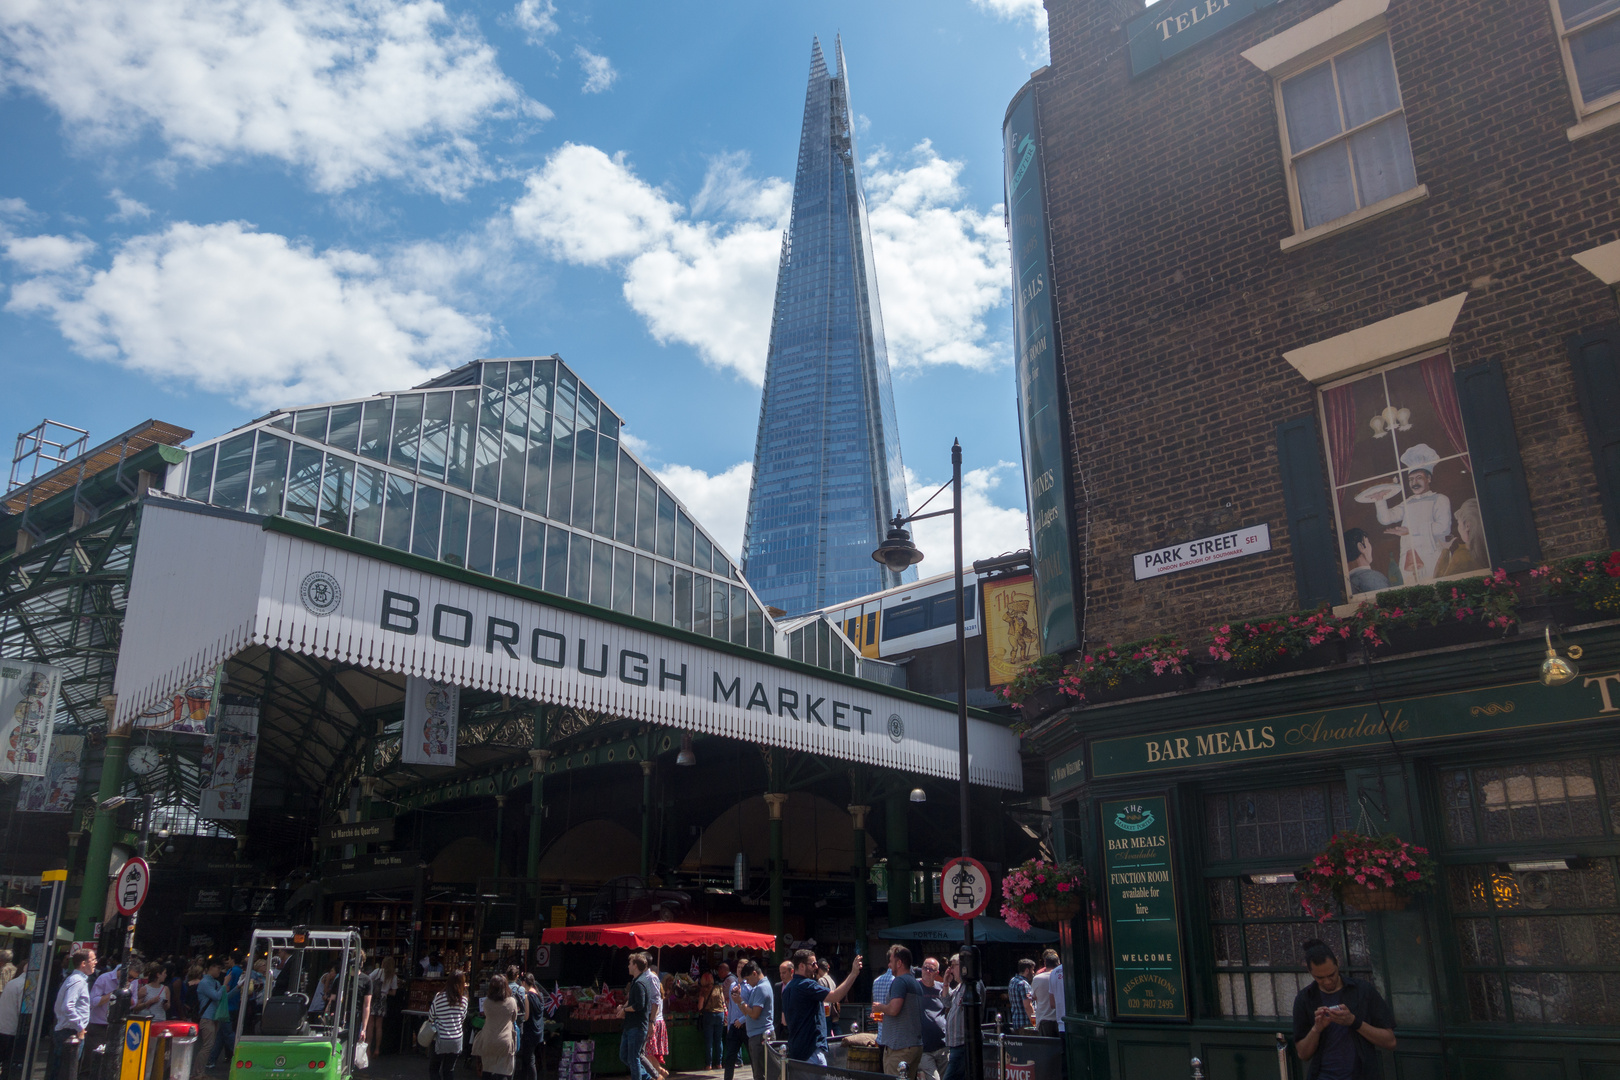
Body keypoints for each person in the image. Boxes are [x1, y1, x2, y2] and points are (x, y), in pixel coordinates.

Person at [1291, 939, 1396, 1080]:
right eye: (1319, 978)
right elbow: (1303, 1054)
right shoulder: (1305, 998)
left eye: (1331, 975)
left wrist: (1354, 1022)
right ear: (1309, 971)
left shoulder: (1363, 991)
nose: (1327, 982)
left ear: (1338, 963)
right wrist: (1316, 1029)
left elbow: (1390, 1041)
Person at [1374, 444, 1452, 585]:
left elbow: (1443, 528)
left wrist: (1410, 531)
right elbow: (1386, 519)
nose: (1414, 483)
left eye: (1418, 478)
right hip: (1409, 559)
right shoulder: (1408, 502)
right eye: (1411, 480)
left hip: (1432, 558)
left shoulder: (1440, 499)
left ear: (1428, 479)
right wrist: (1380, 500)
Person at [781, 950, 861, 1066]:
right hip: (811, 1051)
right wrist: (853, 974)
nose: (816, 967)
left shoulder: (787, 988)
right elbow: (835, 996)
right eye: (813, 964)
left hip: (796, 1050)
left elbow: (784, 1021)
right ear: (802, 966)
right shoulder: (807, 985)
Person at [876, 946, 923, 1078]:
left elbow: (894, 1009)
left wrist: (880, 1007)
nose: (889, 965)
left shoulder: (899, 981)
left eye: (891, 961)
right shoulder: (915, 982)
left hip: (899, 1048)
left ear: (899, 963)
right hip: (914, 1046)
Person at [52, 950, 93, 1080]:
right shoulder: (77, 981)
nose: (95, 962)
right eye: (93, 959)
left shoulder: (75, 979)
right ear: (83, 963)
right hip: (70, 1032)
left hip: (69, 1030)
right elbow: (67, 1006)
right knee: (67, 1071)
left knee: (62, 1070)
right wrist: (80, 1027)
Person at [733, 961, 774, 1080]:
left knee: (760, 1073)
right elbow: (748, 1012)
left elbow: (755, 1014)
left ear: (755, 973)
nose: (748, 983)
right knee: (759, 1072)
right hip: (756, 1035)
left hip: (760, 1035)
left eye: (748, 979)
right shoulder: (759, 987)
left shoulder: (761, 988)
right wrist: (739, 1000)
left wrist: (740, 1001)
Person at [474, 974, 519, 1080]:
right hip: (505, 1041)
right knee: (503, 1071)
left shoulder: (487, 1003)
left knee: (487, 1068)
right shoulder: (511, 1002)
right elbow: (514, 1018)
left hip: (488, 1039)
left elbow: (485, 1015)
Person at [428, 973, 467, 1080]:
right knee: (449, 1070)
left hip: (441, 1038)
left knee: (434, 1068)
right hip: (456, 1039)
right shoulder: (464, 1000)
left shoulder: (439, 997)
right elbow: (462, 1019)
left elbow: (431, 1016)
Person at [620, 954, 653, 1080]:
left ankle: (643, 1077)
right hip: (629, 1026)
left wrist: (624, 1010)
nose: (628, 966)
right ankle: (646, 1077)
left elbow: (639, 1005)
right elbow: (632, 1002)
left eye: (630, 963)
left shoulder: (640, 983)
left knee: (634, 1058)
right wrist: (623, 1008)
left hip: (637, 1027)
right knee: (624, 1056)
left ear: (635, 966)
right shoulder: (635, 981)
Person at [1435, 497, 1484, 578]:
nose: (1458, 528)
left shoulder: (1461, 556)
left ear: (1467, 526)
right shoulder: (1485, 549)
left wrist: (1445, 550)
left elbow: (1438, 581)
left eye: (1458, 523)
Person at [916, 958, 947, 1080]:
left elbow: (951, 1005)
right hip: (924, 1048)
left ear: (937, 973)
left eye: (931, 969)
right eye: (925, 968)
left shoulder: (942, 989)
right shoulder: (914, 987)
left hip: (943, 1045)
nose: (927, 971)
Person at [86, 961, 121, 1065]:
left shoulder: (132, 982)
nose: (131, 980)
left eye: (134, 978)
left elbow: (134, 1003)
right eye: (131, 977)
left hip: (116, 1026)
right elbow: (94, 1001)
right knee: (92, 1061)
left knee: (109, 1062)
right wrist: (113, 994)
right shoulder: (105, 978)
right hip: (99, 1025)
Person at [195, 960, 224, 1079]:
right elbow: (217, 996)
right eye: (217, 967)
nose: (219, 970)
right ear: (210, 968)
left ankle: (200, 1072)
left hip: (214, 1017)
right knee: (207, 1045)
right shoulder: (205, 982)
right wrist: (224, 985)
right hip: (207, 1017)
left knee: (209, 1045)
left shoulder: (215, 982)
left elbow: (222, 997)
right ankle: (198, 1072)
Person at [719, 962, 748, 1080]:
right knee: (730, 1057)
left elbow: (752, 1007)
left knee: (753, 1057)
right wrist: (729, 1025)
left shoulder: (750, 986)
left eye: (742, 967)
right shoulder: (732, 985)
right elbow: (731, 1007)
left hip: (746, 1025)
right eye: (738, 967)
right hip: (734, 1025)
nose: (740, 970)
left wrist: (742, 1020)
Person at [1343, 529, 1391, 595]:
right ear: (1361, 547)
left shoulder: (1346, 584)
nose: (1370, 547)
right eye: (1368, 542)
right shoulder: (1374, 579)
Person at [0, 964, 27, 1080]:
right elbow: (23, 1009)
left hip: (4, 1025)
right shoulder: (23, 985)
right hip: (12, 1028)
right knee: (8, 1061)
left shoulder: (13, 983)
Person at [698, 971, 726, 1069]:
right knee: (719, 1040)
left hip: (708, 1015)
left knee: (709, 1041)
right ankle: (719, 1063)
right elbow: (723, 1002)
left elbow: (700, 1006)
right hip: (720, 1014)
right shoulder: (719, 988)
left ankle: (708, 1064)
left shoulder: (703, 991)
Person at [1029, 951, 1059, 1037]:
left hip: (1044, 1018)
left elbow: (1033, 997)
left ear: (1045, 963)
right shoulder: (1061, 977)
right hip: (1059, 1017)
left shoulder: (1037, 978)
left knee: (1047, 1047)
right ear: (1058, 963)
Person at [1007, 960, 1035, 1032]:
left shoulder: (1012, 981)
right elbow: (1027, 1006)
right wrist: (1034, 1023)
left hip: (1016, 1022)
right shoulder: (1023, 984)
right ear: (1027, 970)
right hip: (1026, 1024)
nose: (1033, 972)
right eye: (1032, 970)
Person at [814, 960, 839, 1036]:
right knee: (835, 1028)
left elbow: (821, 996)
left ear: (820, 969)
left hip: (825, 1010)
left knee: (826, 1032)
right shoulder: (831, 979)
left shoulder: (821, 980)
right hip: (832, 1009)